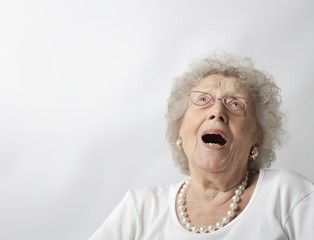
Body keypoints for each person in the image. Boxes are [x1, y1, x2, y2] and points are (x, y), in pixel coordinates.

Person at [89, 53, 314, 239]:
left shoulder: (288, 195)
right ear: (180, 128)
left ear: (257, 136)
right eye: (203, 100)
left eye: (235, 104)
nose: (217, 112)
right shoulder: (140, 209)